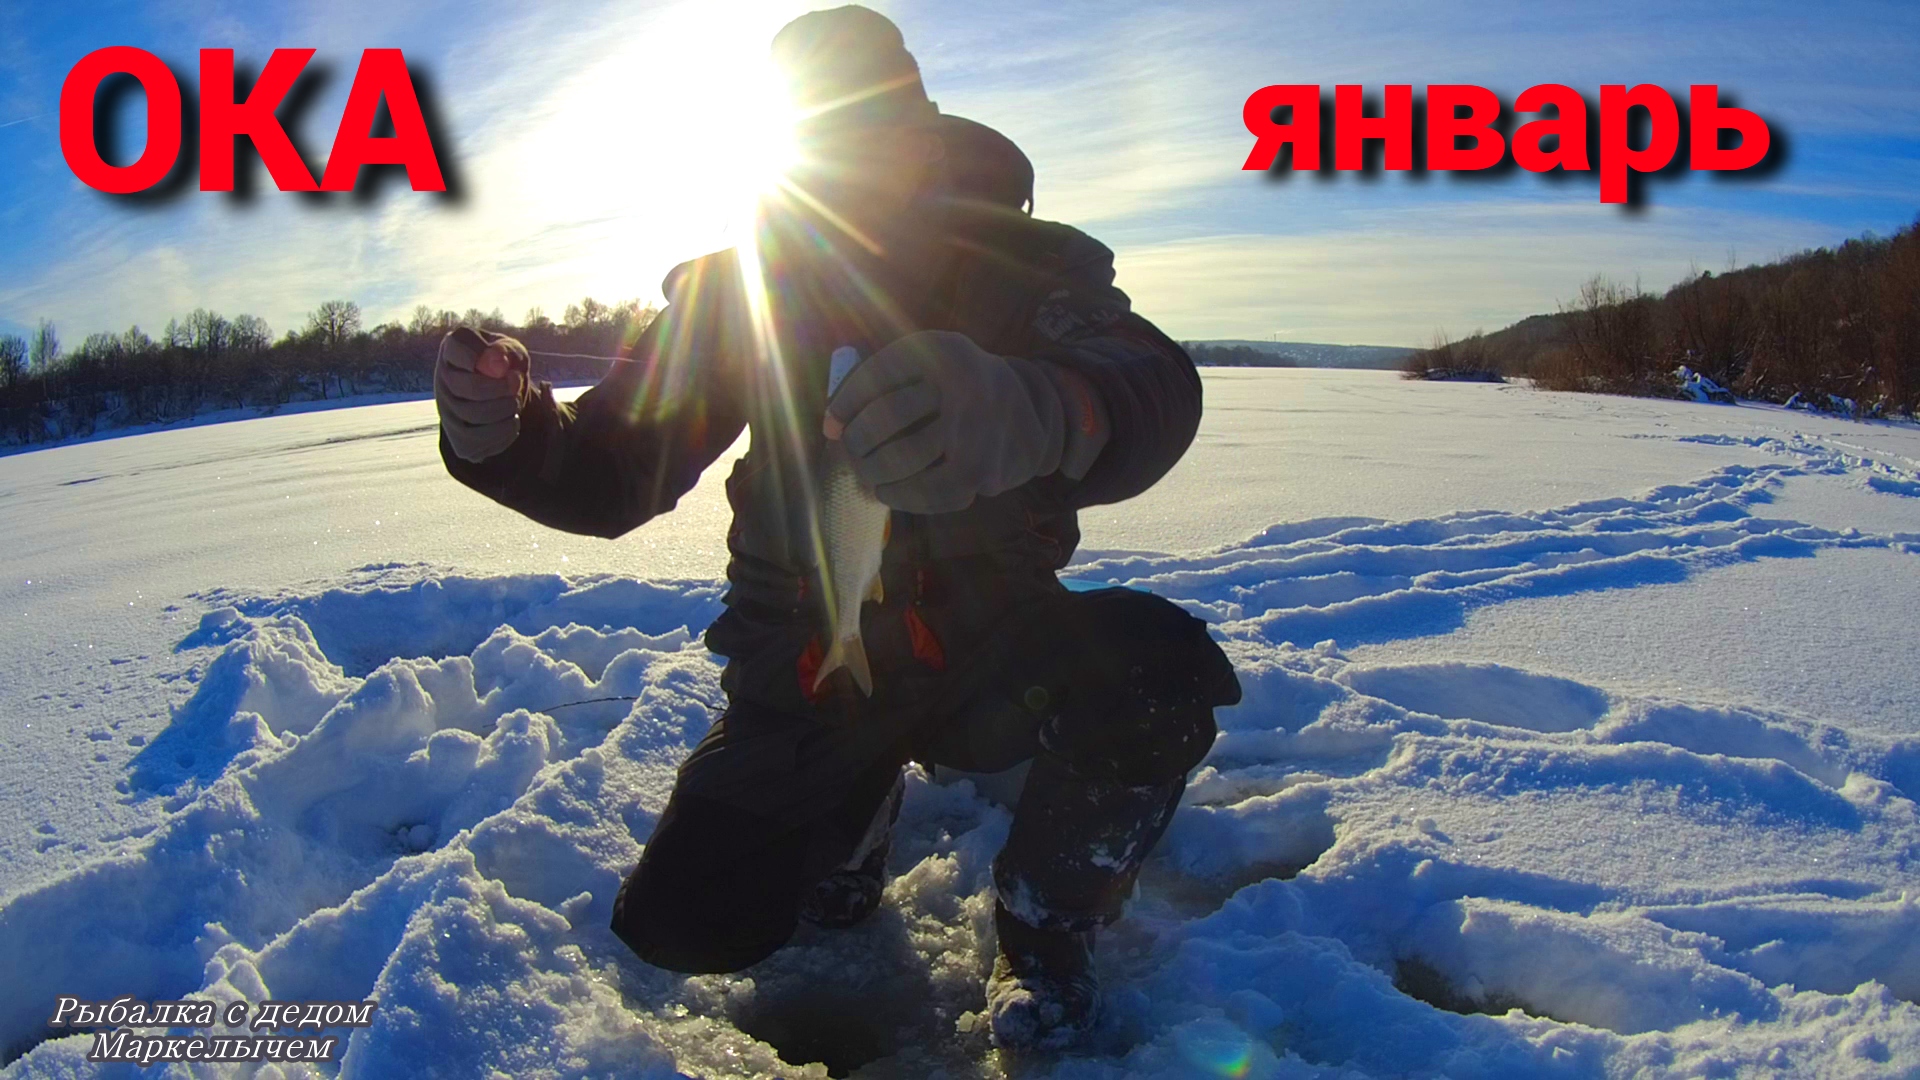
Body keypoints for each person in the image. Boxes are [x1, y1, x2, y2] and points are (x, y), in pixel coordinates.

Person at [433, 5, 1240, 1052]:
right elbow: (613, 471)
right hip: (805, 661)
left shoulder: (1017, 272)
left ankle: (1045, 932)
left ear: (921, 138)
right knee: (685, 921)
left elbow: (1151, 380)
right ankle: (851, 817)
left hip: (990, 643)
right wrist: (507, 434)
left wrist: (1046, 407)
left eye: (870, 133)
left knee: (1154, 673)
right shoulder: (735, 298)